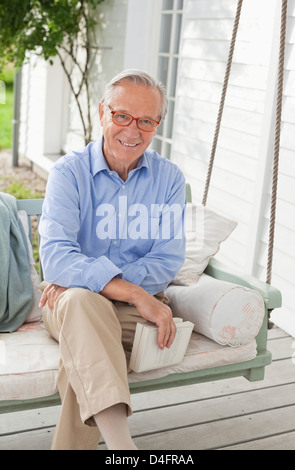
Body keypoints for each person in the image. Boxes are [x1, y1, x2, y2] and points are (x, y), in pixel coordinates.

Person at [39, 69, 186, 450]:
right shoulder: (68, 174)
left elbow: (166, 258)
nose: (132, 131)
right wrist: (132, 292)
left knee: (84, 320)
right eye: (122, 116)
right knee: (78, 302)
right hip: (73, 304)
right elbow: (56, 256)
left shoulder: (169, 179)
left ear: (156, 126)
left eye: (146, 121)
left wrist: (94, 281)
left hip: (133, 310)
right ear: (102, 112)